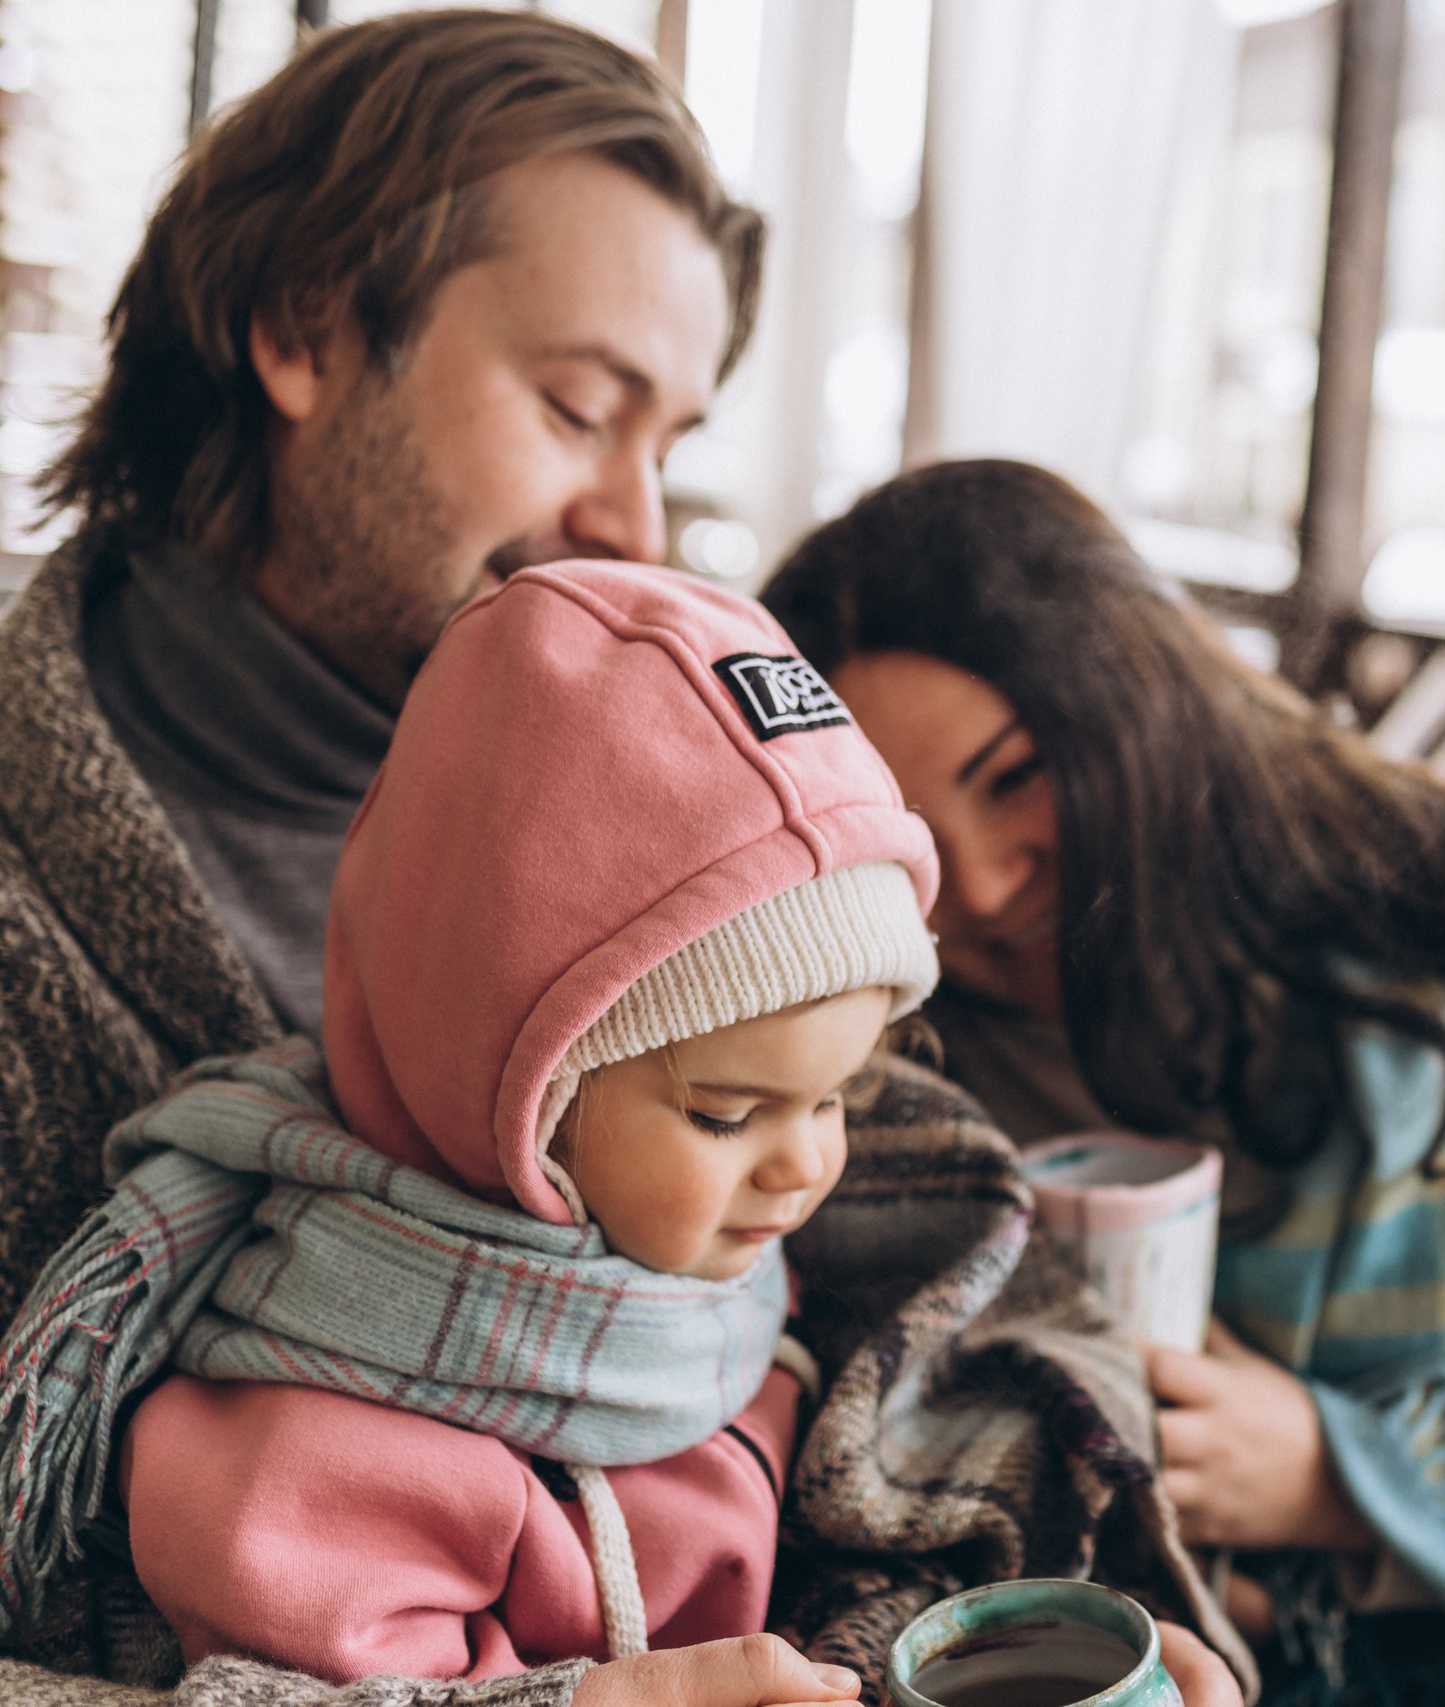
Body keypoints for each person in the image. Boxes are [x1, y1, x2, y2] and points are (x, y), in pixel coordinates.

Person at [0, 16, 1244, 1707]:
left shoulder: (672, 815)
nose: (636, 524)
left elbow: (905, 1281)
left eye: (670, 441)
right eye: (580, 405)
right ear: (298, 329)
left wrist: (976, 1622)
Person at [762, 460, 1445, 1707]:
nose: (991, 891)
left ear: (1139, 708)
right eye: (914, 849)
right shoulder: (873, 1094)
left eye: (1014, 778)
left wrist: (1349, 1476)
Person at [6, 562, 939, 1680]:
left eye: (836, 1096)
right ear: (519, 1101)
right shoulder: (314, 1448)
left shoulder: (709, 1272)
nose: (806, 1166)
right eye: (727, 1115)